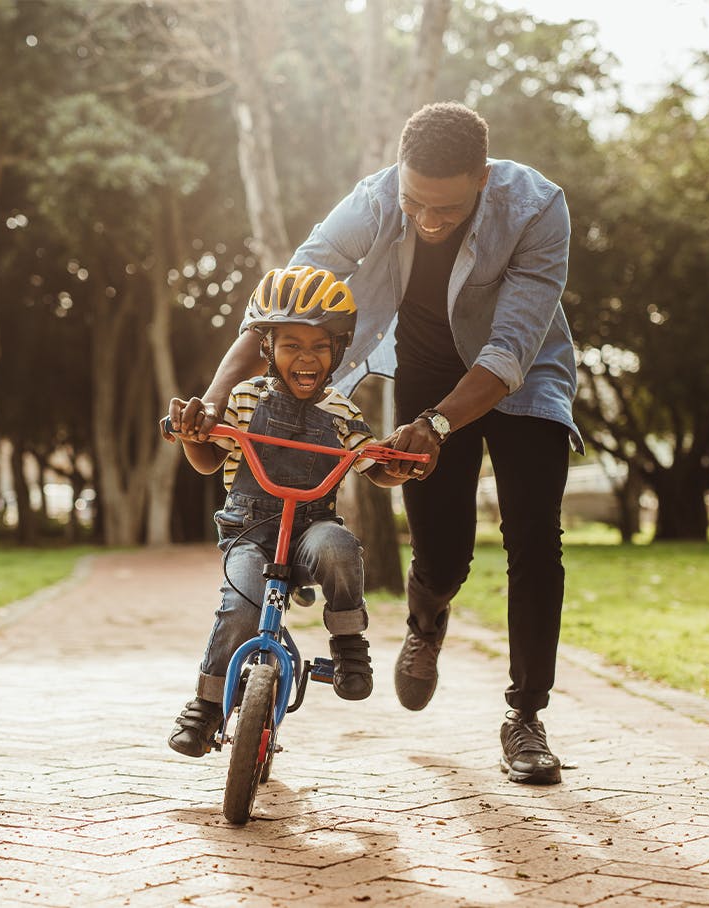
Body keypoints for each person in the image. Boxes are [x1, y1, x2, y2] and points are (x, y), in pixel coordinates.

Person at [173, 101, 582, 784]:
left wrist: (440, 426)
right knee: (444, 556)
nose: (426, 221)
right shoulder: (374, 199)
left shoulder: (538, 209)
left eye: (445, 211)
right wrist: (216, 398)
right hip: (426, 368)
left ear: (482, 178)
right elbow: (285, 300)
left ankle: (526, 716)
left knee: (535, 538)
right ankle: (427, 622)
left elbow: (510, 348)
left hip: (523, 375)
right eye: (415, 202)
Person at [163, 266, 410, 758]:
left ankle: (348, 646)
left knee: (339, 548)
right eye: (291, 344)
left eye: (320, 346)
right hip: (249, 532)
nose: (306, 357)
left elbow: (372, 465)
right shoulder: (242, 398)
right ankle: (207, 705)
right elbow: (210, 458)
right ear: (267, 349)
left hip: (310, 530)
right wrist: (193, 436)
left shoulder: (341, 411)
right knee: (241, 605)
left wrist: (398, 465)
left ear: (338, 351)